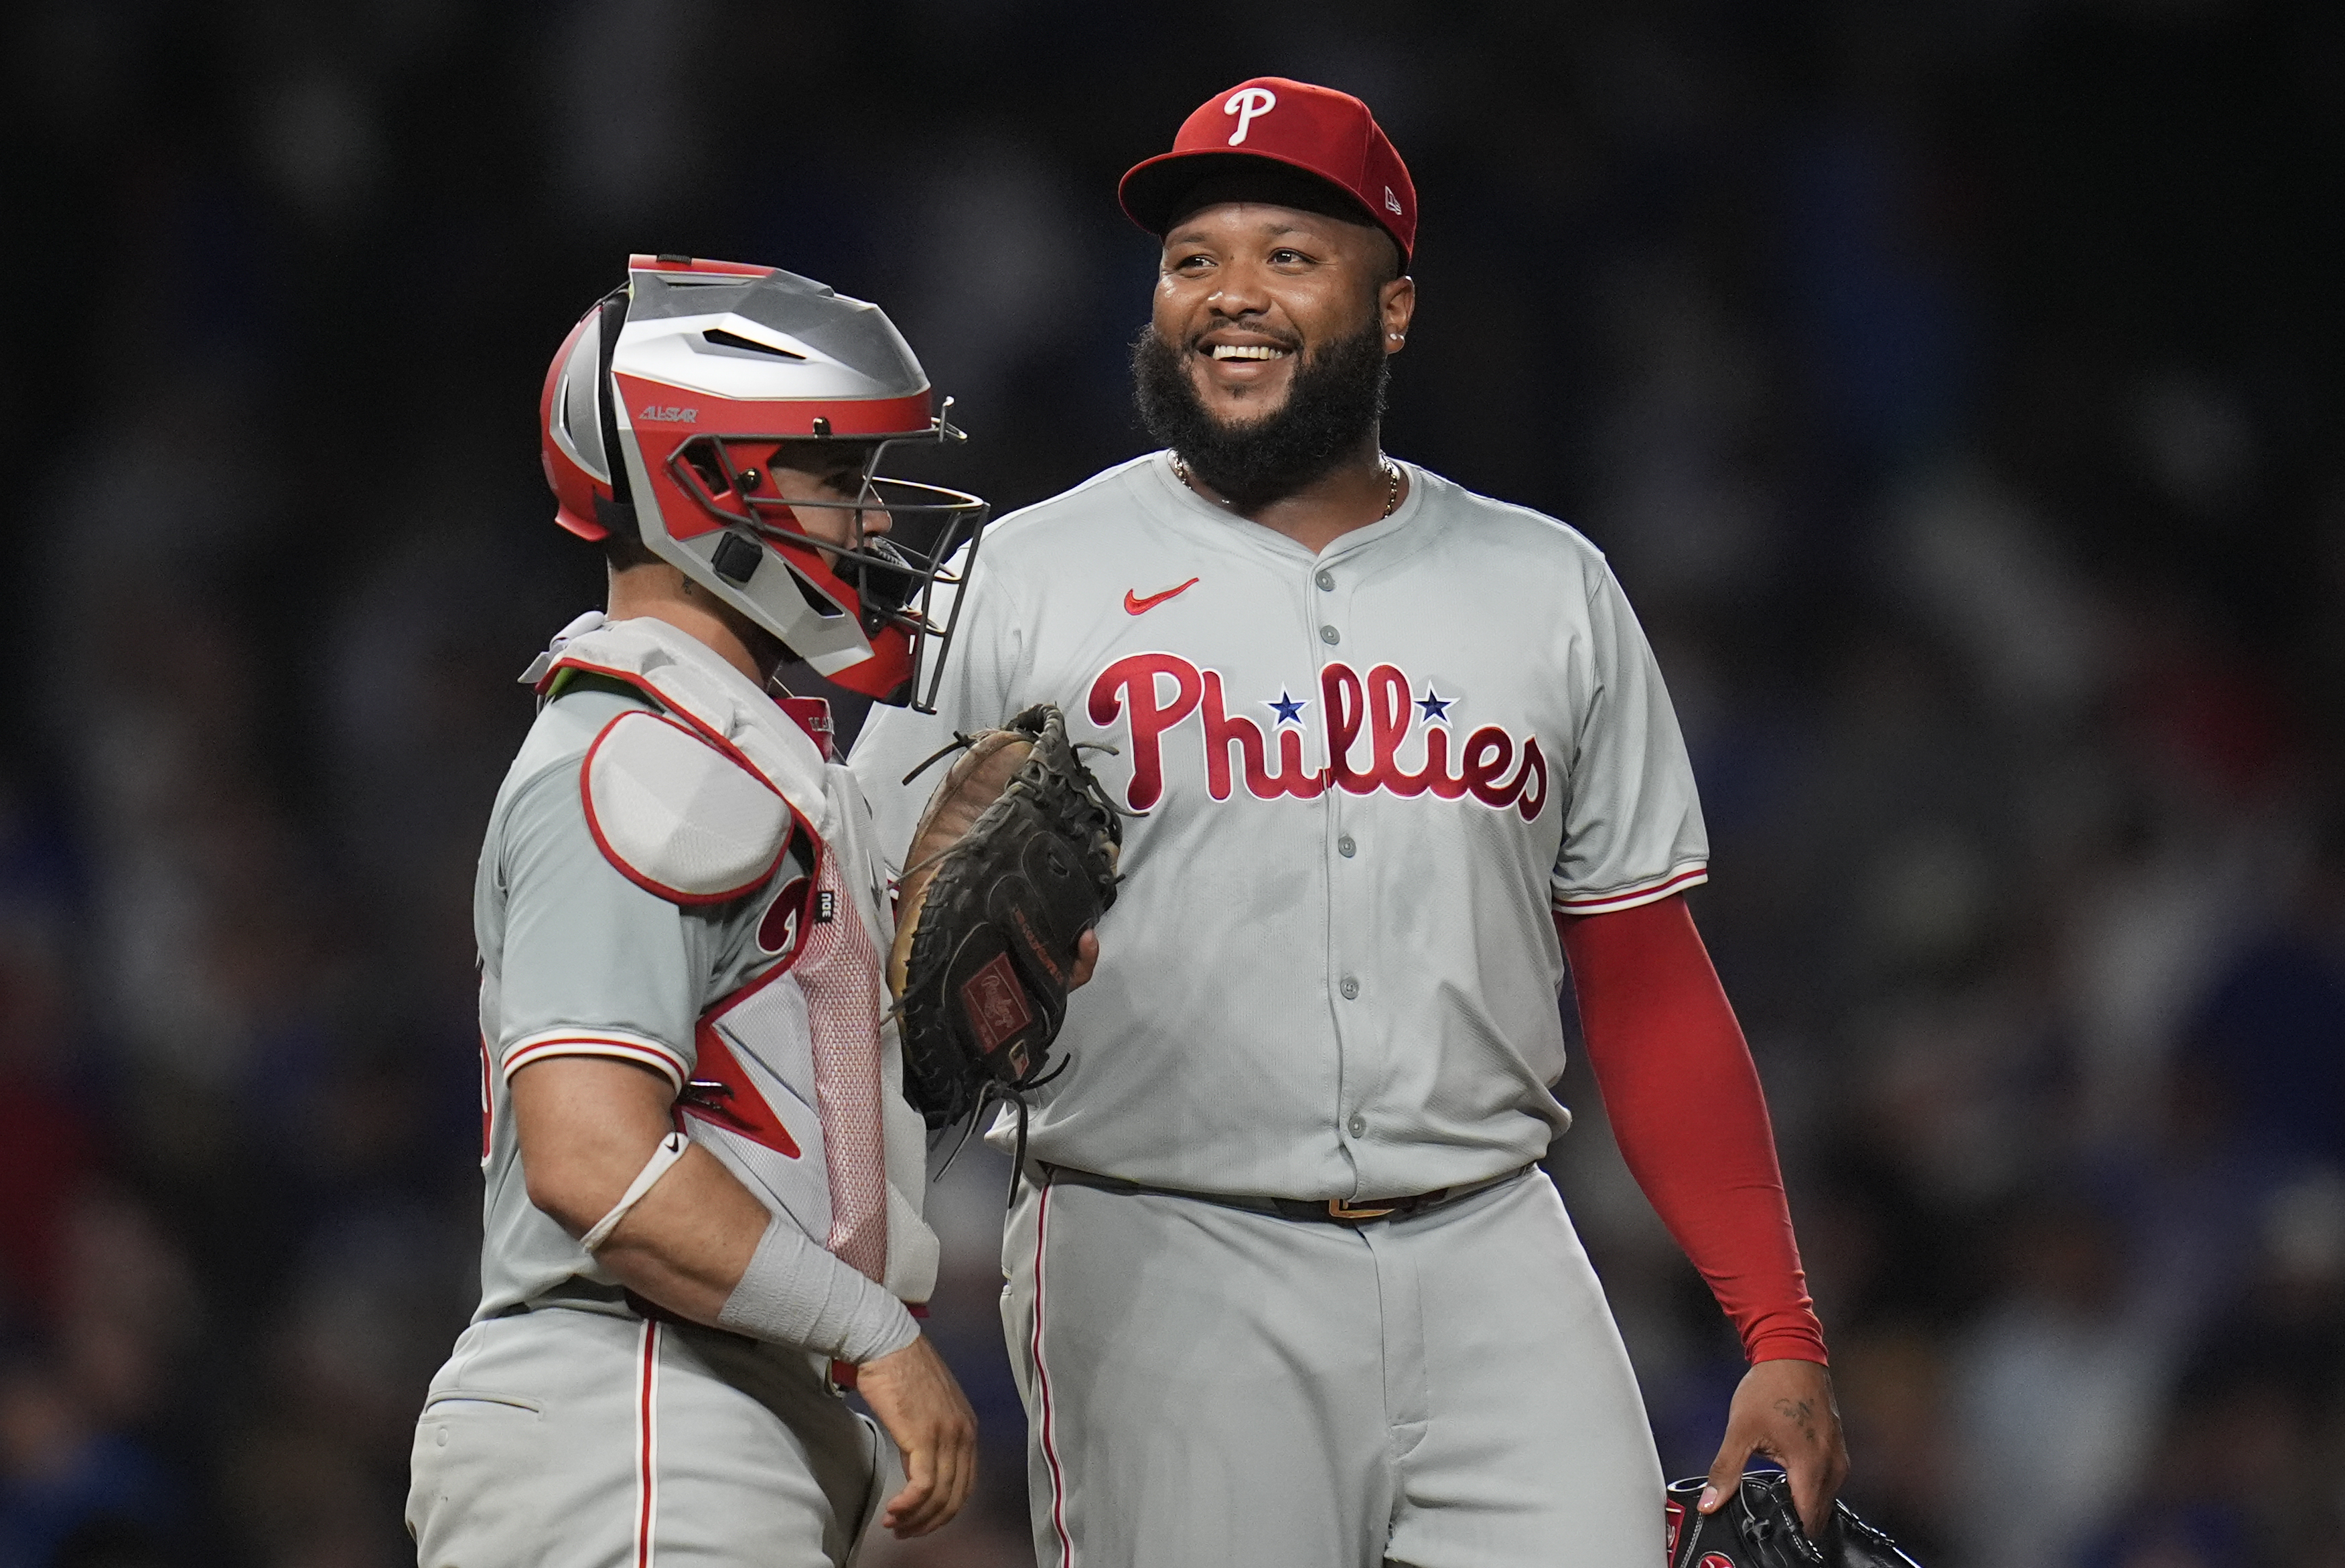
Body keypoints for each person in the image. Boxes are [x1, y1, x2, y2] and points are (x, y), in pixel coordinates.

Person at [849, 80, 1849, 1567]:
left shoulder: (1545, 585)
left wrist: (1776, 1322)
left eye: (1288, 255)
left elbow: (1641, 972)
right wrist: (867, 1298)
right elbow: (863, 952)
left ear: (1390, 309)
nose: (1228, 296)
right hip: (1163, 1242)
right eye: (1192, 260)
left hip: (1492, 1241)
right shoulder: (1022, 578)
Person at [407, 255, 1057, 1567]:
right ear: (705, 479)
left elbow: (787, 1141)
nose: (873, 525)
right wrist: (873, 1330)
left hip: (687, 1413)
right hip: (639, 1407)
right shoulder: (637, 758)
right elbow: (593, 1157)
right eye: (837, 478)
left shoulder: (721, 751)